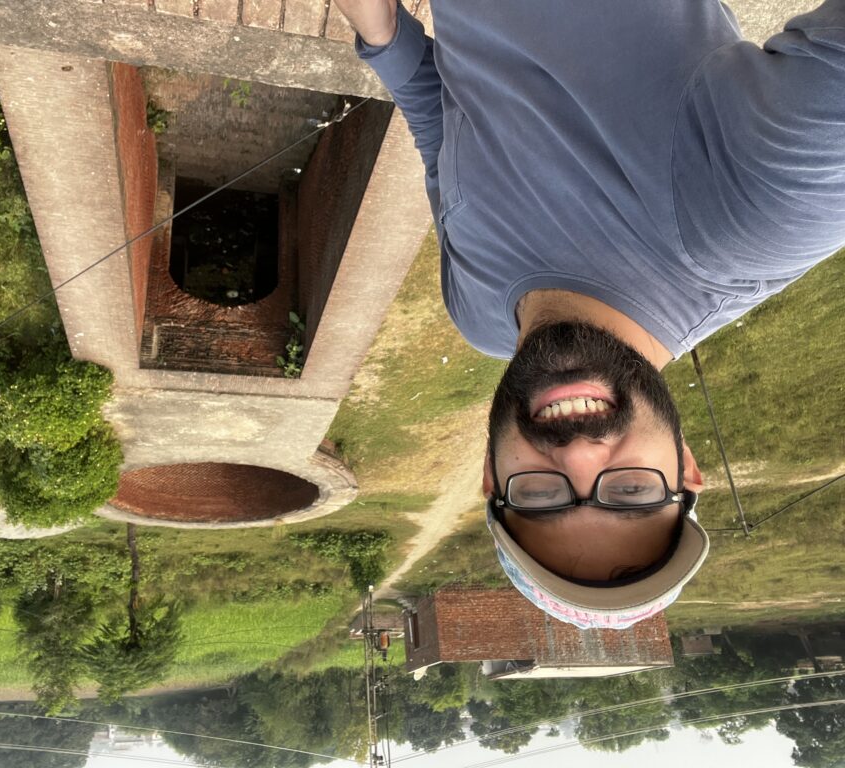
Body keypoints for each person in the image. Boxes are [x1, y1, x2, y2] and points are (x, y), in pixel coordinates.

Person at [337, 0, 845, 628]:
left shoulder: (481, 315)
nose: (578, 457)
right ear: (686, 468)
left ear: (492, 481)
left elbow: (447, 126)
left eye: (541, 499)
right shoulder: (747, 217)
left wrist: (384, 36)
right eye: (630, 492)